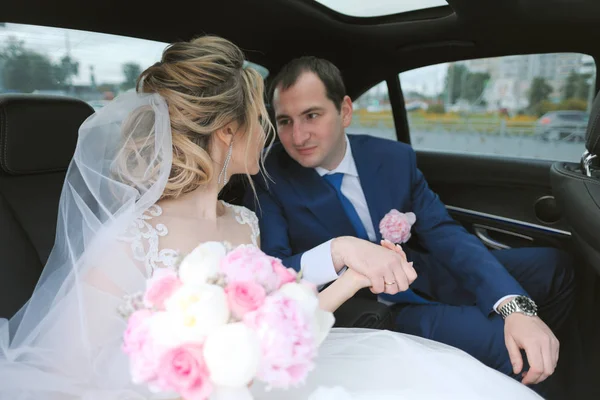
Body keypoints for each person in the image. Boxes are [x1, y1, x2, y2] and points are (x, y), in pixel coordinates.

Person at [0, 36, 542, 400]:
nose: (275, 135)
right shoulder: (131, 240)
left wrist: (352, 273)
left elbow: (283, 318)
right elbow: (67, 376)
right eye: (264, 119)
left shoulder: (242, 220)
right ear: (229, 132)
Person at [245, 56, 576, 395]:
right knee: (508, 345)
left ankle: (546, 353)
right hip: (371, 308)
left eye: (311, 115)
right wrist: (338, 253)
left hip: (423, 273)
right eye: (285, 121)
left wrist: (512, 306)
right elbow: (276, 268)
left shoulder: (391, 158)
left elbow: (445, 234)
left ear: (344, 111)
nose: (298, 136)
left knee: (556, 267)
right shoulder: (270, 177)